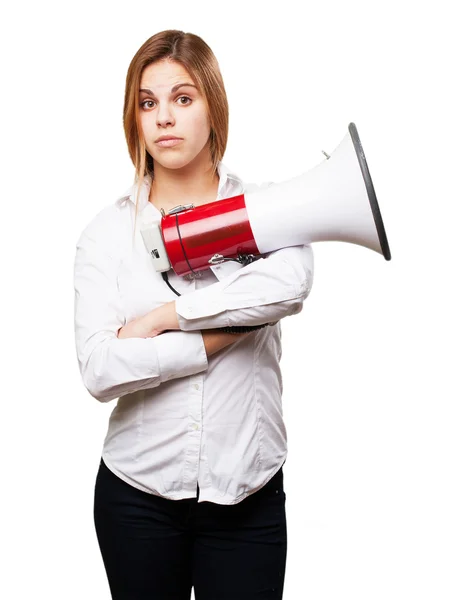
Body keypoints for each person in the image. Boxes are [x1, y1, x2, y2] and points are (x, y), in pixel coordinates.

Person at [73, 29, 314, 600]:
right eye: (148, 102)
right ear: (134, 118)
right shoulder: (107, 234)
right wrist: (214, 338)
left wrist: (166, 317)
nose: (164, 118)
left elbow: (291, 285)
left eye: (183, 99)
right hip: (136, 498)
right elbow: (99, 370)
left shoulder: (268, 209)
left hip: (249, 495)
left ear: (213, 104)